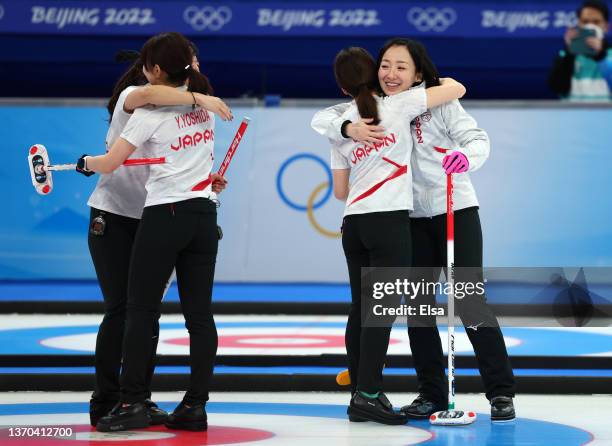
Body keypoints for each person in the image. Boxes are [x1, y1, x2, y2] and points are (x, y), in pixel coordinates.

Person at [313, 38, 516, 422]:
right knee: (419, 309)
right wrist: (348, 127)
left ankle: (501, 393)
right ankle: (432, 394)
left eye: (401, 67)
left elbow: (477, 138)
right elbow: (324, 120)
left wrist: (465, 158)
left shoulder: (437, 100)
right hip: (408, 219)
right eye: (385, 65)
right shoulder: (374, 110)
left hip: (455, 211)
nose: (391, 73)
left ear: (418, 73)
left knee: (469, 301)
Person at [79, 32, 226, 432]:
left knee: (143, 311)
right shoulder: (137, 94)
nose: (196, 68)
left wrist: (202, 178)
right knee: (122, 310)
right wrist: (200, 97)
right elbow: (152, 97)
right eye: (190, 62)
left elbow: (177, 150)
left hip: (159, 215)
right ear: (163, 69)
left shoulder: (191, 104)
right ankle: (108, 399)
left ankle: (138, 399)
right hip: (116, 214)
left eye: (196, 61)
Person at [549, 0, 612, 101]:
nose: (590, 26)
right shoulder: (566, 54)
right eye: (585, 22)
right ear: (578, 24)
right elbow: (557, 87)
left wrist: (600, 56)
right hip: (572, 115)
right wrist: (569, 53)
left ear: (606, 27)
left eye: (596, 22)